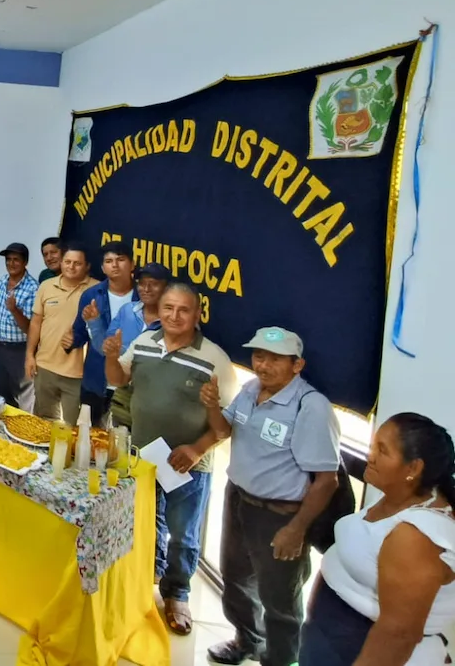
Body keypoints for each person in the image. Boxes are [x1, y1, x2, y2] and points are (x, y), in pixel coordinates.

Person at [104, 282, 238, 636]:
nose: (174, 316)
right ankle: (145, 578)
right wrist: (109, 355)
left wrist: (197, 449)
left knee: (183, 533)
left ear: (197, 314)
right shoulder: (145, 343)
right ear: (158, 310)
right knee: (145, 521)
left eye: (183, 310)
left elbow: (227, 426)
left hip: (188, 465)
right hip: (145, 456)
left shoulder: (215, 358)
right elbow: (118, 378)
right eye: (168, 308)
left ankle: (177, 593)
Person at [203, 327, 341, 666]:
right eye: (259, 356)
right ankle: (246, 640)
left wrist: (296, 528)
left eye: (275, 359)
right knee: (236, 579)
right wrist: (210, 406)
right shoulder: (251, 390)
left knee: (280, 599)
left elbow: (327, 481)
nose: (263, 365)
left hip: (280, 514)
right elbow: (223, 430)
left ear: (297, 365)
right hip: (238, 500)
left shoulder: (311, 407)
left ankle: (280, 659)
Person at [301, 413, 455, 666]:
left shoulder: (416, 537)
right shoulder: (401, 496)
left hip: (358, 645)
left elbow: (399, 633)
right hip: (332, 633)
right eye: (373, 446)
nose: (369, 455)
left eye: (382, 451)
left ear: (413, 468)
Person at [86, 262, 170, 428]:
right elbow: (104, 349)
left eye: (153, 284)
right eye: (142, 283)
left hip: (154, 402)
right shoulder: (127, 311)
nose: (146, 288)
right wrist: (94, 323)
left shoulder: (172, 321)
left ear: (167, 288)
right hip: (120, 392)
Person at [26, 241, 97, 423]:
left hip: (77, 375)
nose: (71, 267)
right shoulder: (47, 286)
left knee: (71, 429)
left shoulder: (97, 291)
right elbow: (36, 323)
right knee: (41, 423)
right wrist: (29, 355)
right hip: (45, 368)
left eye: (77, 263)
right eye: (67, 262)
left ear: (87, 266)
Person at [69, 241, 137, 425]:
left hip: (130, 384)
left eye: (120, 259)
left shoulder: (143, 297)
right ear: (102, 267)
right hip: (96, 380)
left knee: (123, 441)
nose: (114, 265)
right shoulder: (91, 295)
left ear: (132, 264)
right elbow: (80, 332)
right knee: (90, 438)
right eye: (109, 261)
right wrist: (72, 339)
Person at [0, 243, 39, 408]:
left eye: (16, 260)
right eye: (8, 259)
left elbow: (31, 328)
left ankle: (21, 431)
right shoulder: (3, 280)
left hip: (19, 350)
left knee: (22, 397)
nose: (11, 263)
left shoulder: (33, 288)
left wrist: (15, 310)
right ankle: (1, 431)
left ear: (25, 262)